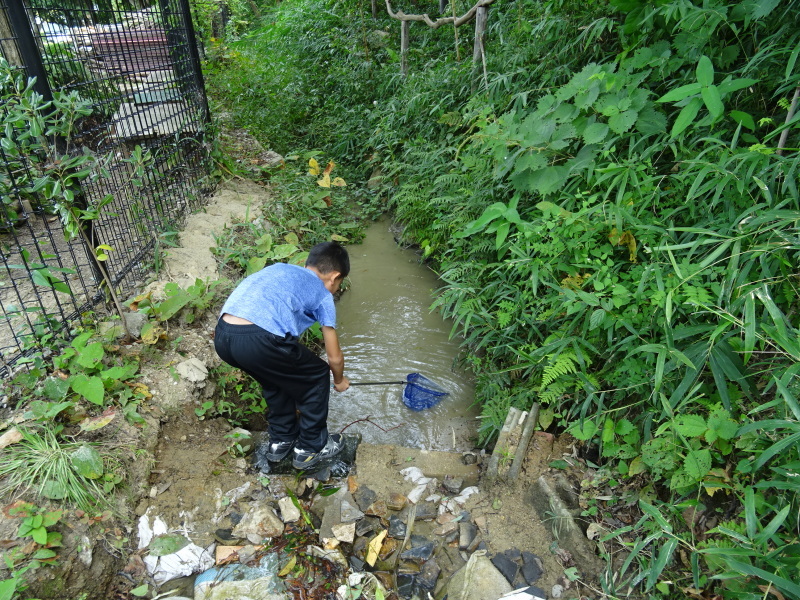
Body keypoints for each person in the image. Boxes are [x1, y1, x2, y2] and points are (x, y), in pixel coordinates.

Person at [213, 241, 351, 469]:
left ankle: (281, 440)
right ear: (334, 277)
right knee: (317, 373)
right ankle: (311, 446)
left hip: (224, 336)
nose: (336, 289)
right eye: (339, 283)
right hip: (259, 336)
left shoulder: (280, 269)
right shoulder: (322, 293)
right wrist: (339, 380)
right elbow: (334, 357)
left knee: (275, 379)